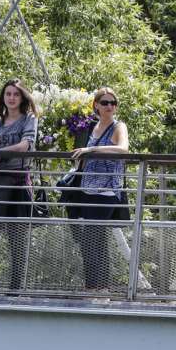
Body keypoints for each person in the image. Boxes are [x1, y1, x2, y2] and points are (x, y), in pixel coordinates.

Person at [67, 87, 129, 291]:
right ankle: (97, 287)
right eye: (105, 102)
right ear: (96, 105)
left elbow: (123, 149)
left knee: (92, 237)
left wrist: (91, 150)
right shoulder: (91, 127)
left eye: (113, 103)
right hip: (86, 190)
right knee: (95, 240)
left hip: (107, 191)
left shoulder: (118, 126)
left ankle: (97, 287)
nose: (109, 106)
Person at [0, 79, 38, 292]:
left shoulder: (28, 119)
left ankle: (15, 289)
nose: (11, 98)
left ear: (22, 97)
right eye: (8, 94)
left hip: (18, 181)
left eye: (15, 94)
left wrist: (2, 153)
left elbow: (25, 145)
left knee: (17, 237)